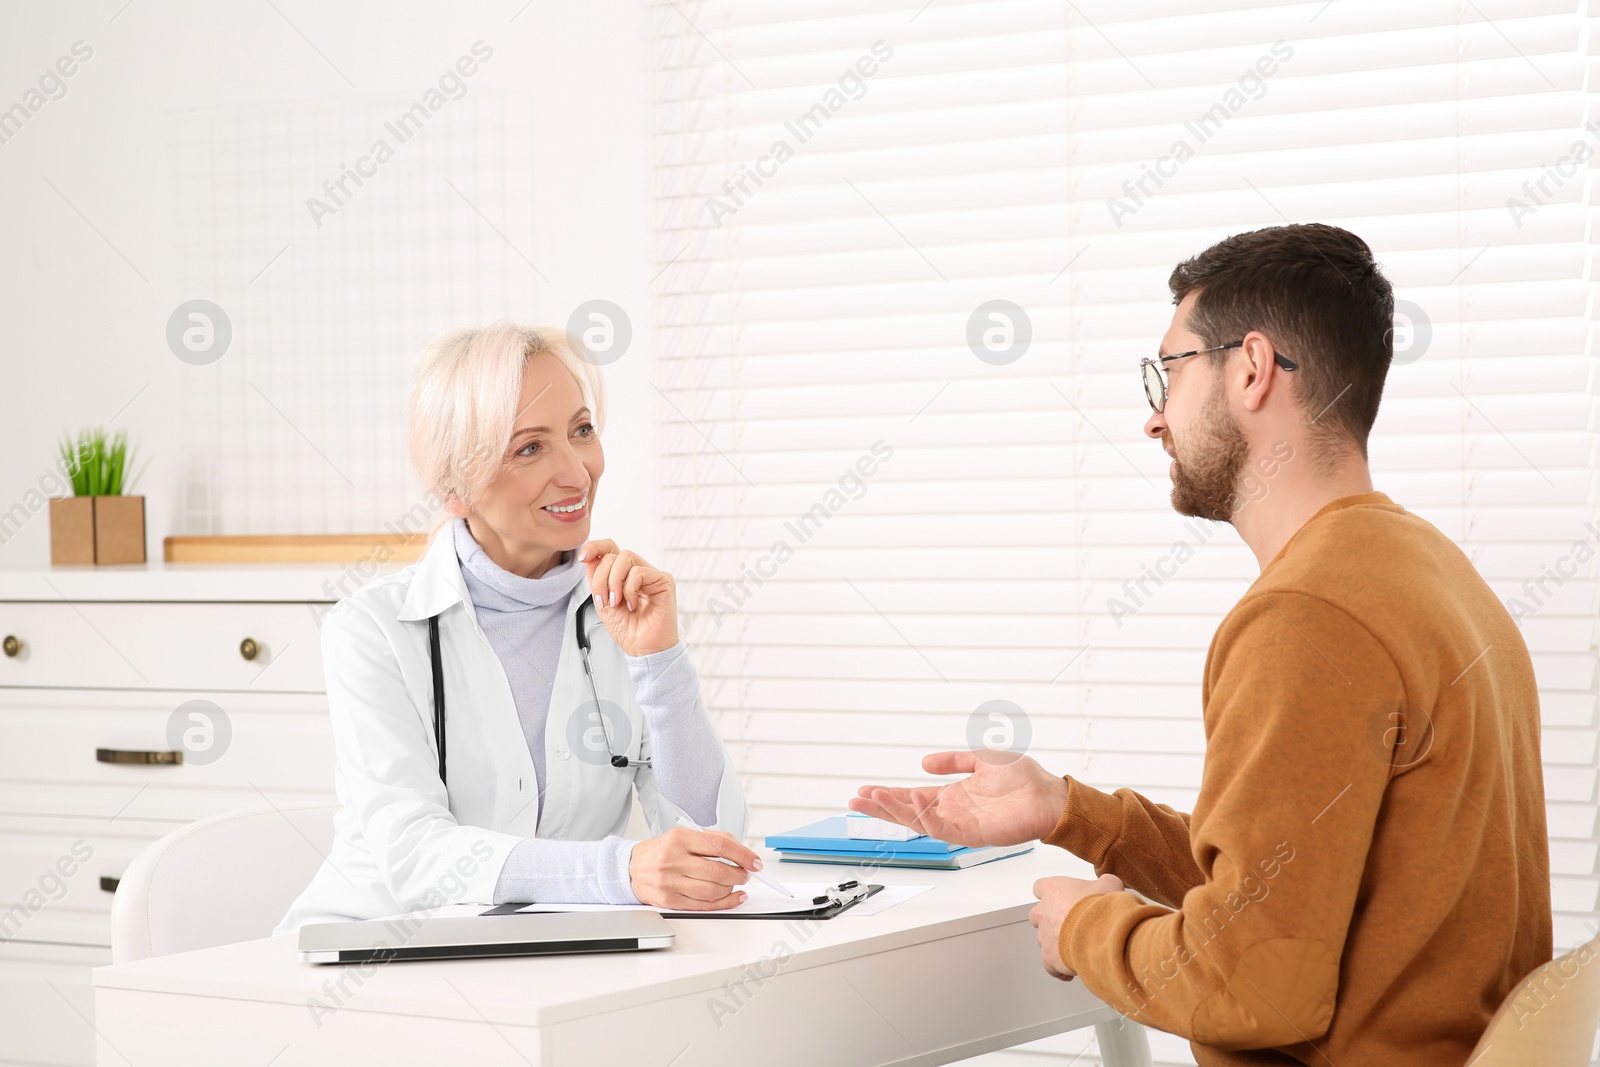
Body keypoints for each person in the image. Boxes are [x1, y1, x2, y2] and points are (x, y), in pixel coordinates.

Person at [851, 224, 1551, 1065]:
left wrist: (1084, 925)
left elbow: (1257, 982)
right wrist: (1074, 813)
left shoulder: (1306, 616)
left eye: (1169, 373)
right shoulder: (1426, 572)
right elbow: (1290, 882)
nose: (1153, 420)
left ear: (1251, 369)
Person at [277, 322, 756, 932]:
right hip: (371, 954)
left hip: (542, 958)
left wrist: (659, 661)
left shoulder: (622, 612)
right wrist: (620, 872)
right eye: (530, 448)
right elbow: (414, 854)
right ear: (455, 488)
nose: (578, 473)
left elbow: (715, 846)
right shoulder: (373, 630)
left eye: (581, 431)